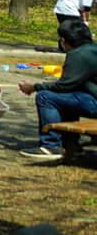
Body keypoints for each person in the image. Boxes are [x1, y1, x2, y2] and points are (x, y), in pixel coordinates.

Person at [19, 20, 97, 161]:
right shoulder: (93, 49)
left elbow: (64, 86)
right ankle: (71, 145)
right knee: (67, 97)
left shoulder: (78, 55)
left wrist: (34, 87)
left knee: (45, 97)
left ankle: (51, 145)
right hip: (91, 98)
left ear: (62, 40)